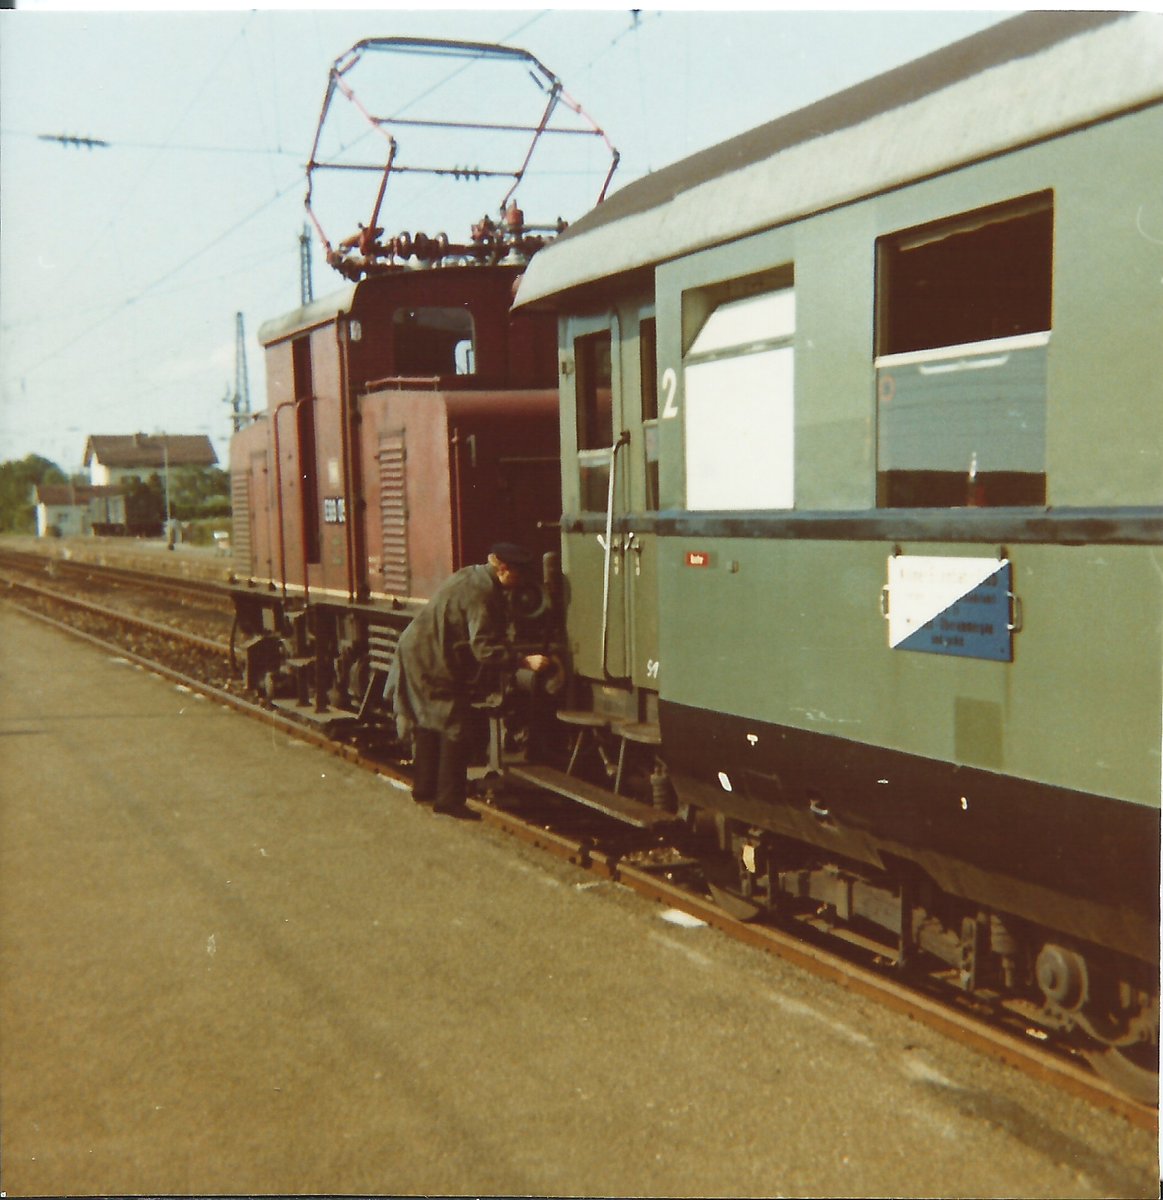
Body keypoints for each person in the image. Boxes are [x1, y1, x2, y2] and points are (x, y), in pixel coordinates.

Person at [387, 543, 551, 819]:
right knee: (455, 726)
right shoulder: (483, 593)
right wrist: (524, 660)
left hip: (418, 650)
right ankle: (449, 800)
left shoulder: (471, 574)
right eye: (518, 575)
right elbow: (484, 649)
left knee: (428, 722)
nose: (521, 582)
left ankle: (425, 789)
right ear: (503, 569)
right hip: (432, 659)